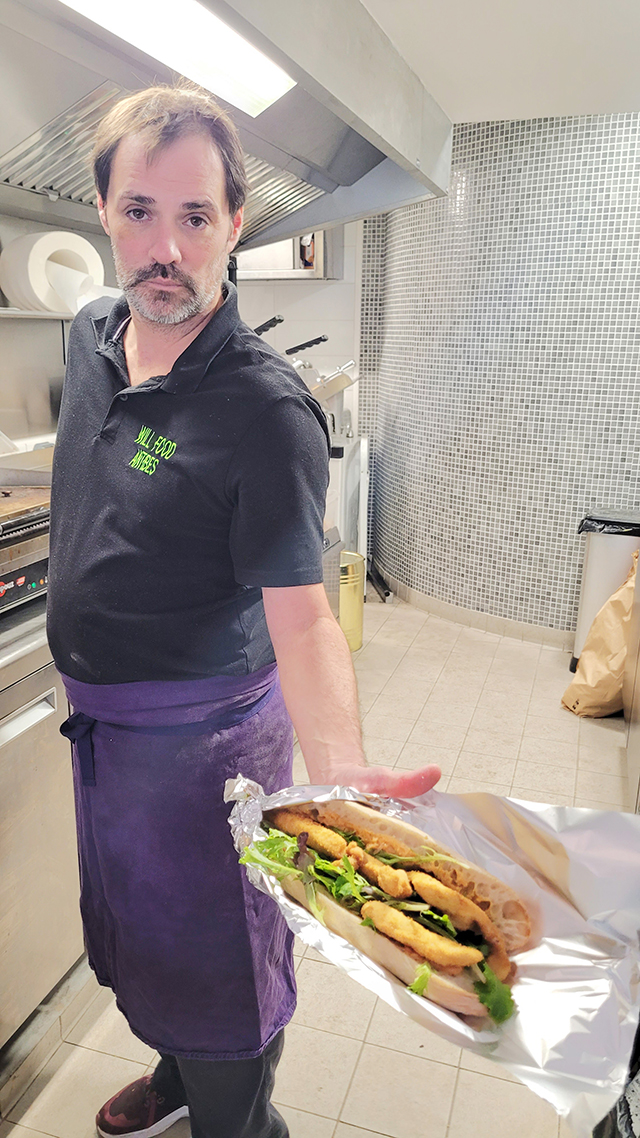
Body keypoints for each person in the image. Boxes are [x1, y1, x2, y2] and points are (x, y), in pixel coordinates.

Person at [46, 83, 441, 1138]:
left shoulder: (265, 411)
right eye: (140, 212)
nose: (165, 249)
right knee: (142, 939)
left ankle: (238, 1121)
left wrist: (339, 763)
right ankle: (177, 1079)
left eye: (195, 216)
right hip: (108, 745)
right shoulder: (90, 332)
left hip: (206, 749)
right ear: (103, 210)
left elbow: (303, 615)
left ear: (234, 222)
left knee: (222, 959)